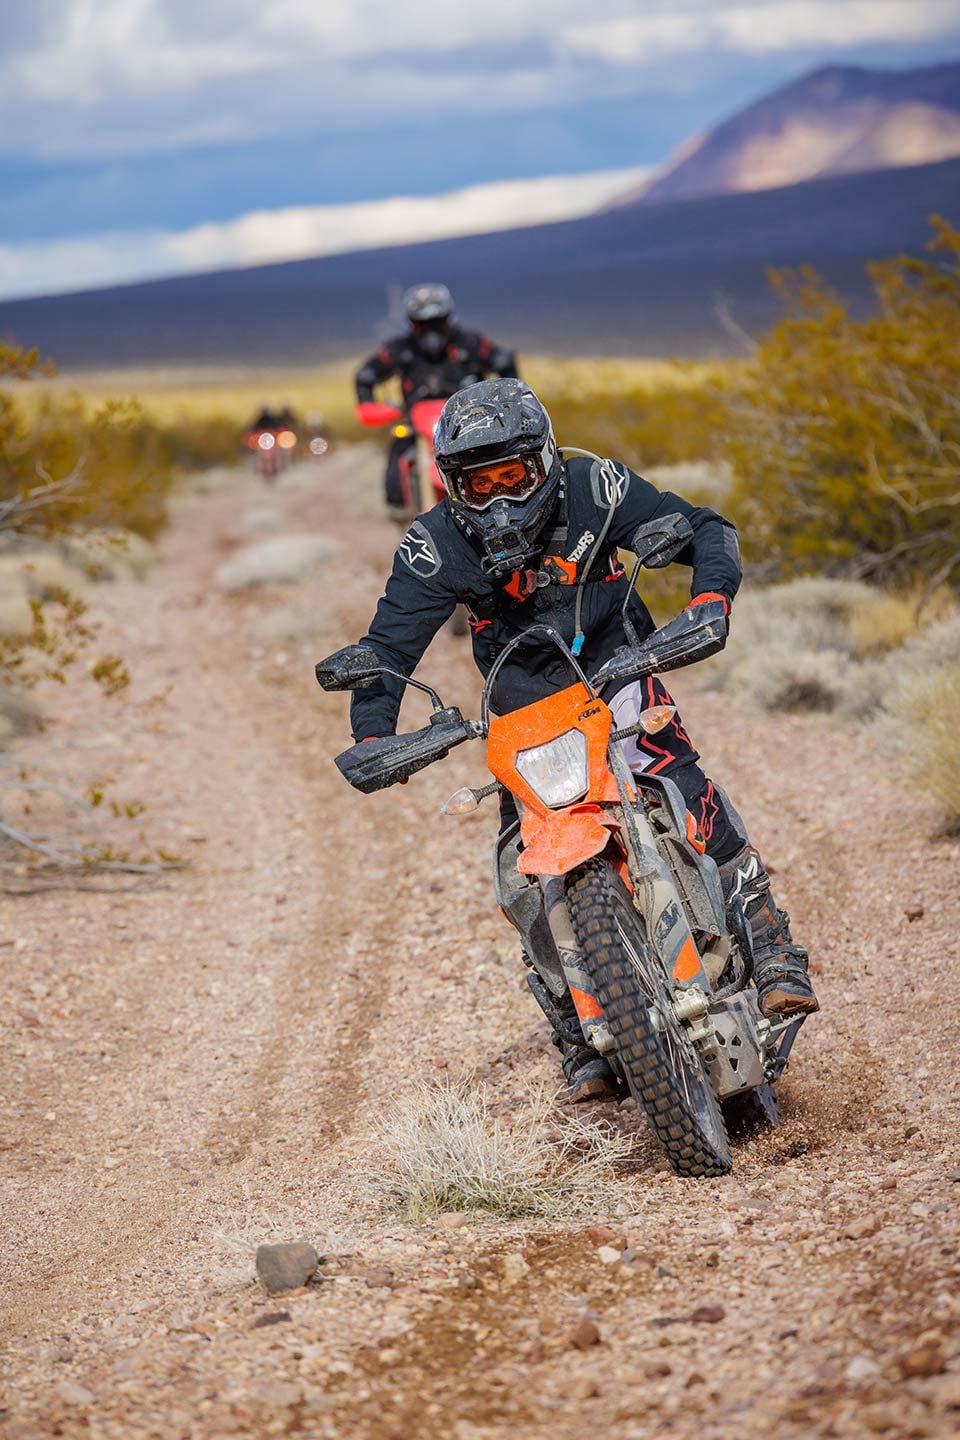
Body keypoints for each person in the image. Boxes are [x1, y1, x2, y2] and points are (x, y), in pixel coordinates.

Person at [347, 378, 819, 1102]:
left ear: (543, 460)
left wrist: (709, 596)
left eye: (513, 475)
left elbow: (702, 527)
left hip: (618, 663)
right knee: (520, 862)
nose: (500, 497)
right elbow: (387, 647)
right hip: (522, 703)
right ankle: (576, 1022)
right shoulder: (434, 543)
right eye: (480, 482)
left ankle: (769, 935)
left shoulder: (593, 484)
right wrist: (373, 733)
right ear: (452, 484)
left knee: (676, 778)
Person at [355, 283, 517, 512]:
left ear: (448, 318)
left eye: (437, 321)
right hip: (415, 427)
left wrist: (509, 404)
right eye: (423, 323)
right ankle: (405, 519)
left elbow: (503, 361)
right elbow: (366, 375)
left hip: (472, 425)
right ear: (412, 323)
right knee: (394, 480)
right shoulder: (400, 349)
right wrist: (369, 406)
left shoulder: (470, 343)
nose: (431, 330)